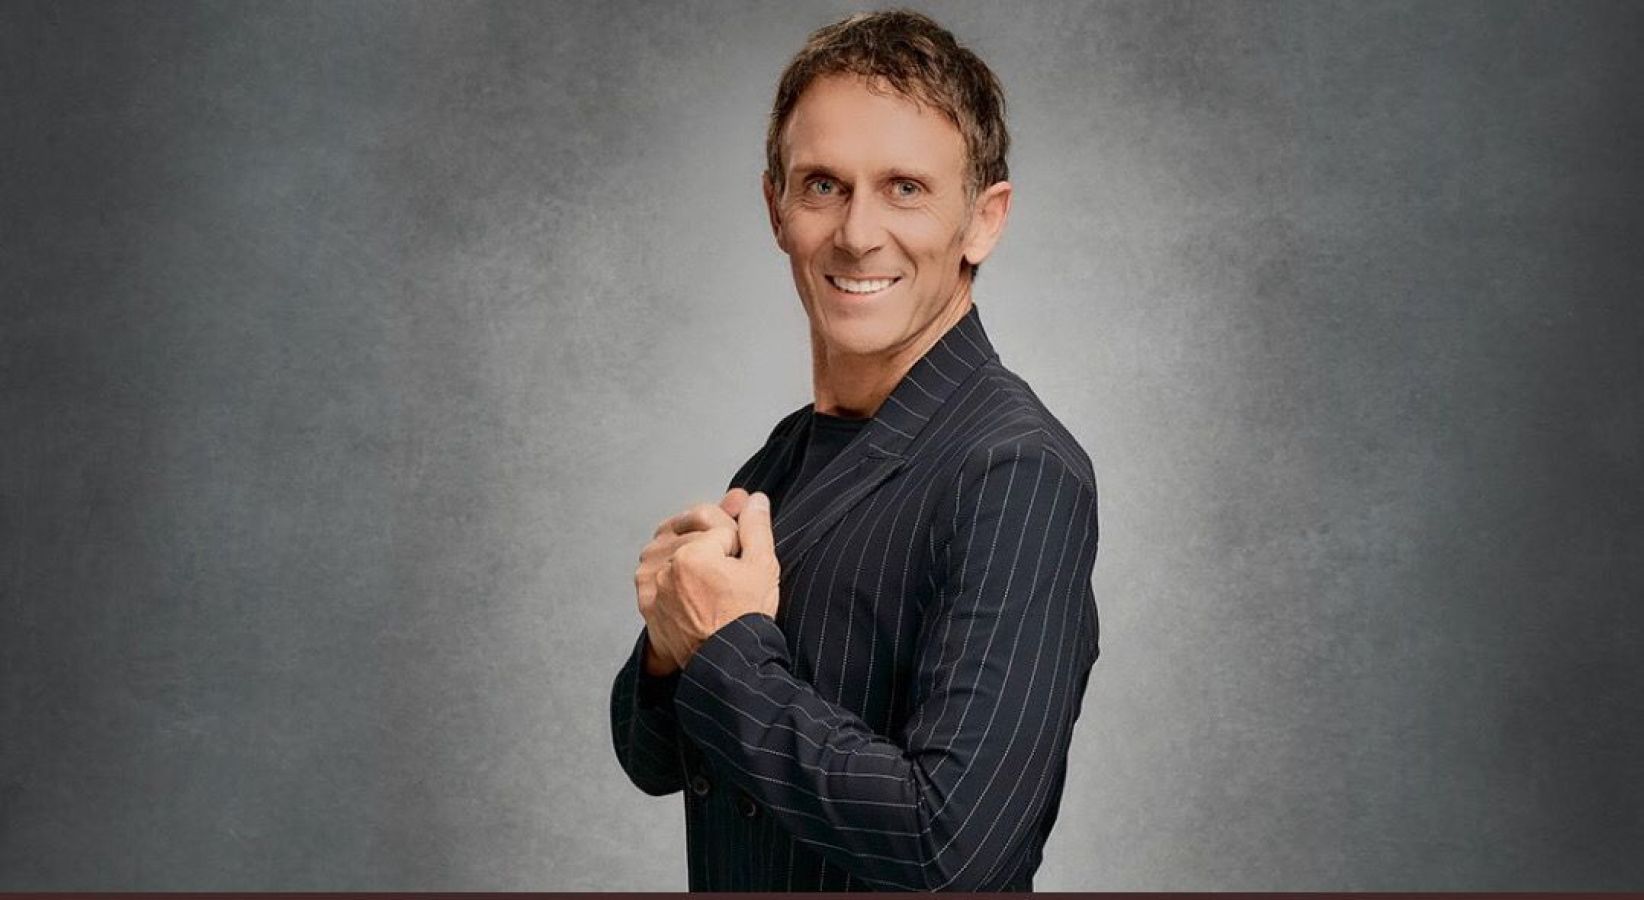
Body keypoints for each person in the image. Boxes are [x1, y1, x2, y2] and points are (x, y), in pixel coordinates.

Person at [609, 9, 1100, 891]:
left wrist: (723, 643)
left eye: (905, 187)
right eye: (823, 185)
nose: (857, 232)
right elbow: (656, 760)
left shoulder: (1016, 471)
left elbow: (952, 851)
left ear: (983, 221)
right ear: (776, 209)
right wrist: (667, 640)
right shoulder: (784, 455)